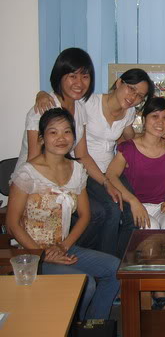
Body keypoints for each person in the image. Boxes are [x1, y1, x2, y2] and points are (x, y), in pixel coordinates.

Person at [34, 67, 165, 257]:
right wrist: (41, 93)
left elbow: (132, 137)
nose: (133, 97)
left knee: (131, 217)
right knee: (112, 209)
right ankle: (105, 261)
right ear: (119, 83)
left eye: (140, 96)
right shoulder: (88, 103)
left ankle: (120, 263)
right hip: (86, 169)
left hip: (107, 169)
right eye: (131, 89)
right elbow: (63, 106)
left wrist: (162, 134)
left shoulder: (128, 113)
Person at [6, 108, 120, 321]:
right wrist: (43, 254)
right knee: (85, 283)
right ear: (41, 138)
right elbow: (12, 223)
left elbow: (85, 215)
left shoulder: (77, 170)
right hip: (32, 254)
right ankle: (66, 325)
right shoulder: (27, 173)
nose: (61, 138)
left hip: (64, 246)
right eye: (53, 132)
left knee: (116, 269)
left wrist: (64, 246)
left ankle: (91, 324)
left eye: (67, 132)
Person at [106, 97, 165, 310]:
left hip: (161, 205)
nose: (160, 121)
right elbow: (111, 175)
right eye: (154, 116)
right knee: (152, 230)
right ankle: (158, 293)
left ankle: (150, 281)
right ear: (143, 118)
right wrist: (132, 201)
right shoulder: (128, 148)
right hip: (136, 206)